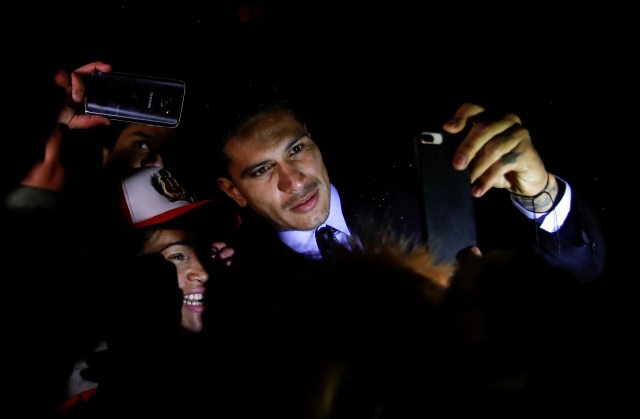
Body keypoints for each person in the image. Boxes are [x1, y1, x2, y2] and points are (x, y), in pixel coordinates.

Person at [207, 81, 605, 284]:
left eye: (296, 149)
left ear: (312, 137)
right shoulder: (241, 283)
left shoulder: (422, 192)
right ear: (231, 190)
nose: (293, 181)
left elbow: (577, 272)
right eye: (261, 170)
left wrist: (538, 194)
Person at [59, 165, 238, 417]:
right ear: (121, 272)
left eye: (202, 251)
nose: (204, 272)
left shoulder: (215, 348)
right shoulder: (92, 388)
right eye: (176, 256)